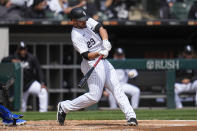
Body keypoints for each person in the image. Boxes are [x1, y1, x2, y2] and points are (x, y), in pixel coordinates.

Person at [57, 7, 138, 126]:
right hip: (91, 63)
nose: (84, 22)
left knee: (117, 89)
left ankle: (131, 116)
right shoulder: (75, 35)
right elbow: (86, 55)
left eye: (84, 19)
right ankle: (64, 106)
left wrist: (105, 41)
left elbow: (101, 28)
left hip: (103, 61)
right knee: (94, 97)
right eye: (80, 20)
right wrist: (99, 52)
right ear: (73, 21)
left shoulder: (86, 21)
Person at [11, 42, 48, 112]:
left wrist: (42, 83)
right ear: (18, 50)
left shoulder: (31, 57)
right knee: (22, 108)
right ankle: (22, 120)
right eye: (21, 49)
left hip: (30, 83)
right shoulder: (14, 56)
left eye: (24, 49)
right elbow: (3, 60)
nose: (23, 51)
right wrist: (11, 60)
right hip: (20, 87)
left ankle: (43, 112)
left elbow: (38, 70)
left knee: (43, 91)